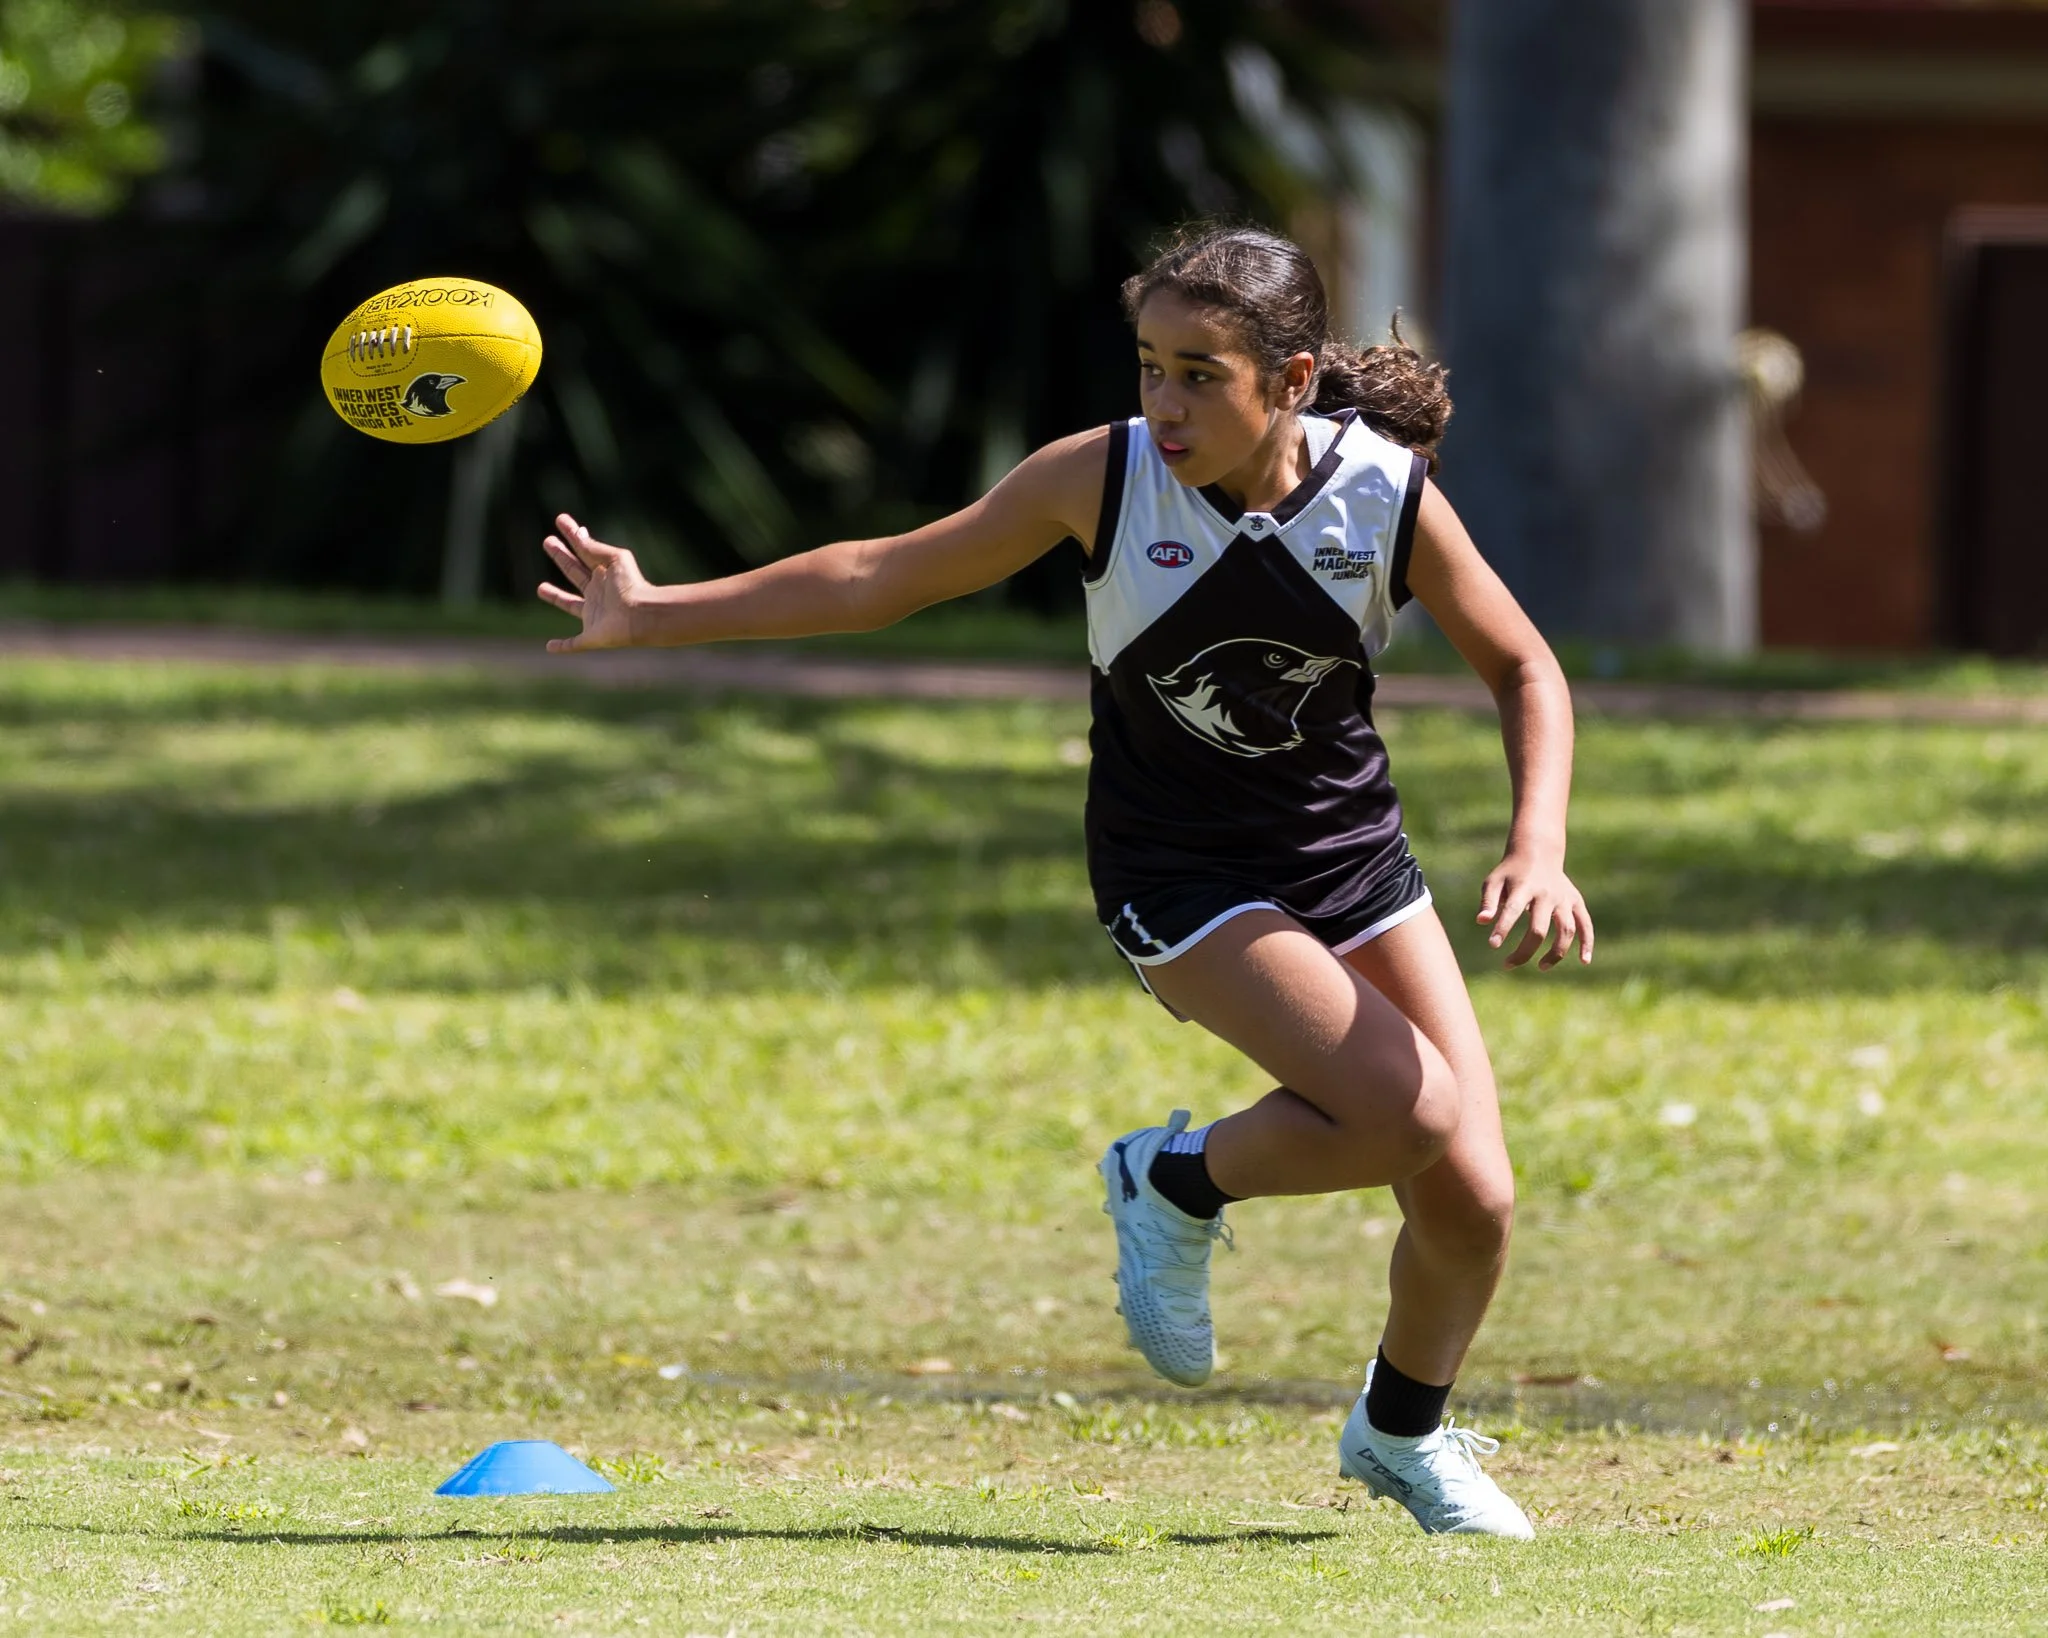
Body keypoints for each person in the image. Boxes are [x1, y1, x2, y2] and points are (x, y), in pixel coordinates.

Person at [535, 224, 1593, 1539]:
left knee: (1476, 1200)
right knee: (1404, 1106)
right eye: (1151, 366)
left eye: (1202, 374)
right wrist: (656, 610)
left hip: (1349, 857)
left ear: (1296, 380)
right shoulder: (1100, 481)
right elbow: (879, 577)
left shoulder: (1384, 496)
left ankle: (1400, 1433)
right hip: (1180, 870)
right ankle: (1175, 1181)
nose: (1164, 403)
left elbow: (1526, 667)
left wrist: (1536, 842)